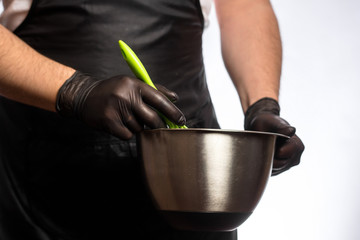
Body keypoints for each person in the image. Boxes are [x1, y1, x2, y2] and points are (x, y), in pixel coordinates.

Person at [0, 0, 304, 239]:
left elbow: (243, 5)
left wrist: (261, 105)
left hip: (191, 185)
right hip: (43, 185)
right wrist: (76, 90)